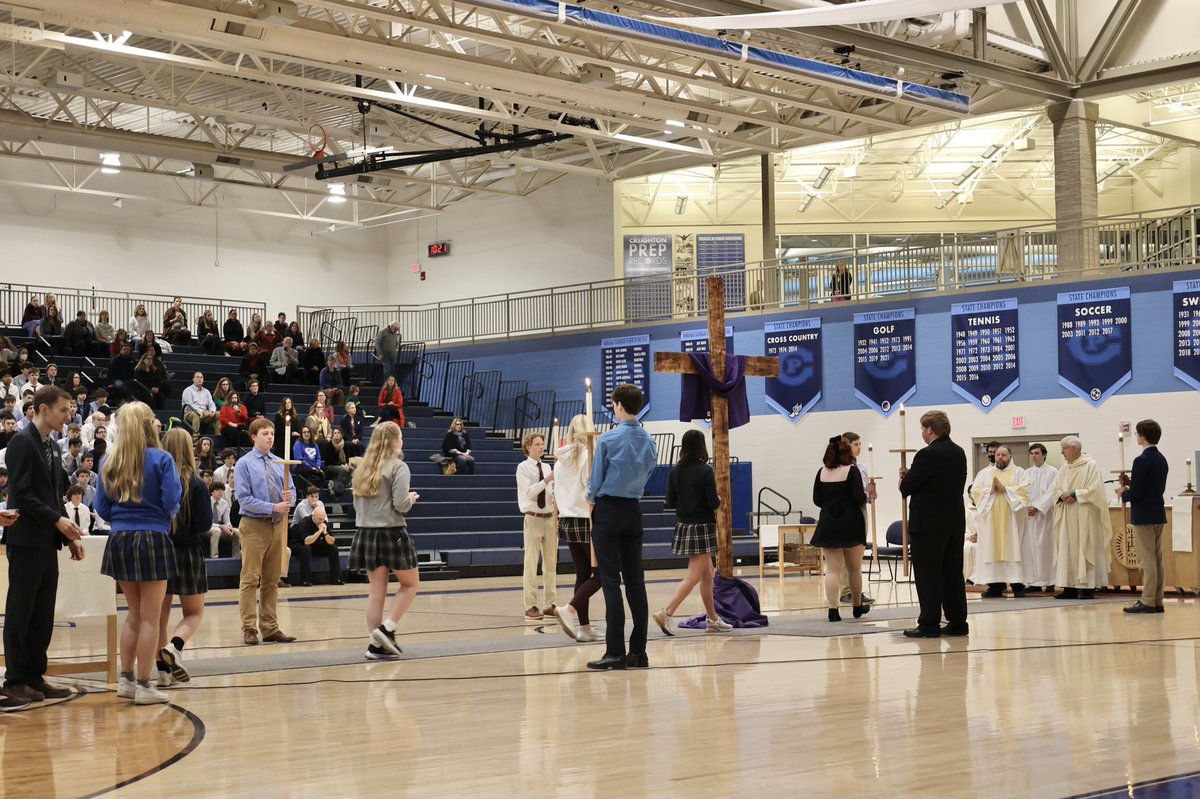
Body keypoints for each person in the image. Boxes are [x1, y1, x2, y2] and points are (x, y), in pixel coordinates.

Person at [1, 385, 84, 705]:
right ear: (43, 409)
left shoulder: (51, 445)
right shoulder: (21, 442)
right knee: (21, 611)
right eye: (63, 410)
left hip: (46, 541)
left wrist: (68, 535)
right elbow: (22, 494)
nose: (69, 415)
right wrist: (57, 521)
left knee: (42, 613)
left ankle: (35, 676)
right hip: (25, 540)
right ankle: (15, 680)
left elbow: (53, 496)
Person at [96, 401, 183, 705]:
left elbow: (102, 508)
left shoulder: (109, 460)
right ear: (148, 426)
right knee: (151, 618)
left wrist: (124, 518)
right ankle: (145, 684)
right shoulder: (162, 459)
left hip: (119, 537)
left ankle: (127, 679)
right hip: (152, 536)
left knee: (133, 615)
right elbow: (172, 500)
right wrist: (156, 516)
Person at [585, 384, 658, 670]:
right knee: (636, 581)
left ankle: (614, 650)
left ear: (617, 405)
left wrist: (590, 498)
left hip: (609, 509)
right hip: (633, 510)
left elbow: (596, 481)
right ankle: (638, 651)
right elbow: (649, 472)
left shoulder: (608, 439)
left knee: (610, 581)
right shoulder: (649, 441)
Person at [652, 428, 734, 633]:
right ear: (701, 446)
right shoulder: (705, 471)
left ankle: (713, 620)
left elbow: (670, 501)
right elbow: (713, 502)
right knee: (694, 575)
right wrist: (719, 499)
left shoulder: (674, 471)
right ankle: (666, 613)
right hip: (702, 526)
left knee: (708, 575)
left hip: (684, 525)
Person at [350, 421, 420, 660]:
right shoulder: (399, 467)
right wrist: (410, 499)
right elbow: (401, 504)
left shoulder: (361, 469)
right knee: (410, 584)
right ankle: (387, 629)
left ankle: (374, 645)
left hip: (366, 533)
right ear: (395, 441)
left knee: (376, 591)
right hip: (392, 532)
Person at [898, 410, 968, 638]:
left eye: (922, 428)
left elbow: (907, 488)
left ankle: (929, 623)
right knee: (952, 574)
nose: (921, 432)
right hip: (954, 522)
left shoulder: (927, 454)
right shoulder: (959, 452)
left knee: (928, 575)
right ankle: (958, 622)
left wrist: (904, 477)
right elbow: (940, 482)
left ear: (930, 429)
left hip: (929, 524)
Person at [155, 428, 212, 689]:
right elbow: (204, 524)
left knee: (158, 615)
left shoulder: (157, 480)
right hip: (188, 553)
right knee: (193, 613)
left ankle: (162, 671)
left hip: (161, 550)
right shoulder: (198, 485)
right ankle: (174, 646)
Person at [233, 418, 296, 645]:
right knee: (250, 579)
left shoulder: (281, 463)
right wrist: (273, 506)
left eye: (272, 433)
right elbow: (244, 499)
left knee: (272, 580)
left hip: (277, 525)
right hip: (254, 525)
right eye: (265, 433)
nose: (270, 436)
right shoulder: (244, 464)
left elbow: (292, 490)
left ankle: (270, 627)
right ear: (253, 437)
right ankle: (249, 628)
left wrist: (289, 499)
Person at [549, 415, 602, 642]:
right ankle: (569, 609)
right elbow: (590, 488)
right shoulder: (587, 457)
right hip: (585, 517)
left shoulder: (560, 460)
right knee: (602, 573)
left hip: (567, 518)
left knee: (582, 572)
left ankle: (585, 627)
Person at [811, 435, 870, 621]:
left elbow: (817, 500)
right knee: (854, 569)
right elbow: (859, 498)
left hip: (829, 522)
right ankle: (857, 606)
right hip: (851, 522)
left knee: (833, 570)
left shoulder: (821, 472)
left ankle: (833, 610)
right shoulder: (852, 471)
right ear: (847, 452)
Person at [1051, 436, 1114, 600]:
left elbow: (1096, 490)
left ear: (1074, 449)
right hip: (1067, 515)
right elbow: (1056, 489)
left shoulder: (1090, 465)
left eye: (1064, 449)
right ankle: (1069, 587)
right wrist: (1063, 496)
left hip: (1085, 516)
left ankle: (1087, 588)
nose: (1062, 452)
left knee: (1085, 547)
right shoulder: (1064, 468)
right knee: (1067, 548)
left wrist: (1075, 494)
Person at [968, 445, 1031, 598]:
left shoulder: (1019, 473)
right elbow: (975, 491)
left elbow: (1025, 492)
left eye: (1003, 455)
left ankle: (1017, 586)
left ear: (1010, 456)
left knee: (1013, 549)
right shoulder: (984, 473)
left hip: (1012, 522)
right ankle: (995, 587)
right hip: (990, 523)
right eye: (998, 455)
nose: (1000, 458)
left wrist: (1006, 489)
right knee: (991, 549)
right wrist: (990, 490)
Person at [1120, 420, 1169, 614]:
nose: (1136, 436)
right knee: (1156, 559)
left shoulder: (1141, 460)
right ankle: (1157, 600)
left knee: (1146, 561)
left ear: (1142, 436)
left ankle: (1147, 600)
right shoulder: (1161, 459)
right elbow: (1153, 487)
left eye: (1137, 434)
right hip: (1157, 512)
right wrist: (1130, 483)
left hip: (1143, 516)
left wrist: (1124, 492)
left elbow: (1138, 493)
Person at [516, 432, 557, 620]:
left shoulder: (548, 467)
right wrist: (547, 480)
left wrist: (555, 488)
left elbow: (549, 493)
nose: (541, 447)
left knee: (550, 563)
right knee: (531, 563)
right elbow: (530, 493)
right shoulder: (523, 468)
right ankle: (531, 605)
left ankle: (550, 604)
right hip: (532, 518)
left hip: (549, 518)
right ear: (528, 447)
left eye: (543, 444)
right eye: (538, 444)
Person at [838, 432, 876, 605]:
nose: (859, 448)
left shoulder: (862, 467)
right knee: (848, 551)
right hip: (847, 511)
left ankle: (856, 590)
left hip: (861, 509)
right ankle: (846, 590)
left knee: (858, 551)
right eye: (856, 444)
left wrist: (871, 494)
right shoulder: (840, 467)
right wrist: (864, 492)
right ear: (847, 446)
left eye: (860, 444)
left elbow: (864, 492)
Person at [1024, 444, 1059, 593]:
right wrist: (1028, 506)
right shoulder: (1026, 473)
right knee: (1031, 549)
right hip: (1030, 516)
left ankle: (1050, 581)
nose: (1034, 456)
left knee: (1046, 548)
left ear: (1044, 455)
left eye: (1037, 453)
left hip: (1046, 515)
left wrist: (1038, 507)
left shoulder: (1053, 472)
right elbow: (1022, 492)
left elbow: (1052, 492)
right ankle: (1033, 582)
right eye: (1031, 453)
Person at [289, 505, 343, 587]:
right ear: (313, 516)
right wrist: (319, 531)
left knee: (333, 548)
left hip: (315, 546)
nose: (321, 521)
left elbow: (332, 541)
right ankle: (305, 579)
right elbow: (306, 541)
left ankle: (335, 578)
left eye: (323, 519)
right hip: (299, 544)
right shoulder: (305, 522)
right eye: (319, 519)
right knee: (306, 549)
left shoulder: (324, 523)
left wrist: (325, 533)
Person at [207, 481, 240, 558]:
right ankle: (214, 557)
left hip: (220, 525)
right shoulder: (207, 502)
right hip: (207, 527)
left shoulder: (225, 503)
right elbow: (206, 522)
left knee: (237, 531)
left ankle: (236, 556)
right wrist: (221, 526)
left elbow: (227, 520)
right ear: (212, 491)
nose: (221, 492)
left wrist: (229, 527)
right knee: (216, 531)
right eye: (218, 490)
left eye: (222, 490)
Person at [182, 372, 218, 439]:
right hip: (189, 413)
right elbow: (191, 405)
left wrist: (212, 411)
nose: (200, 379)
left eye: (201, 377)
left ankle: (218, 436)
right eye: (197, 377)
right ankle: (195, 438)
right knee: (196, 414)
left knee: (218, 414)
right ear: (193, 379)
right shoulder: (188, 390)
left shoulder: (206, 391)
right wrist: (202, 412)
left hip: (204, 415)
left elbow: (211, 404)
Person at [292, 425, 325, 490]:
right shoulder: (298, 444)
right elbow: (300, 459)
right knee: (312, 473)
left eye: (308, 432)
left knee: (322, 472)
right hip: (301, 466)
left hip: (314, 467)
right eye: (304, 432)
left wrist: (317, 467)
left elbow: (318, 458)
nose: (306, 433)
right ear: (301, 434)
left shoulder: (314, 444)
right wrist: (311, 467)